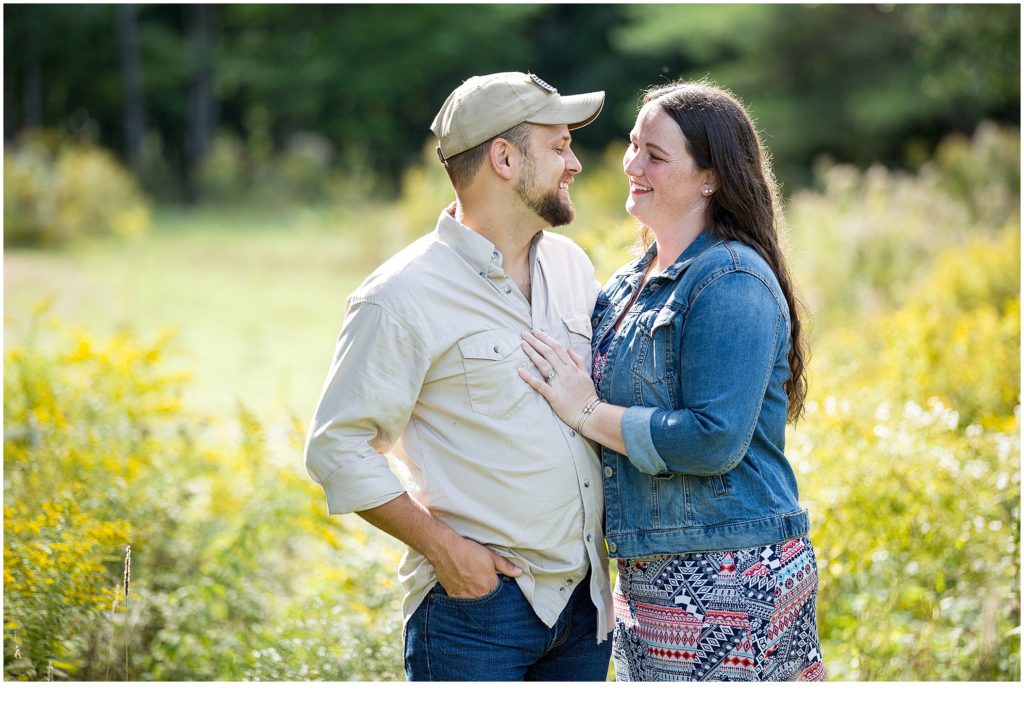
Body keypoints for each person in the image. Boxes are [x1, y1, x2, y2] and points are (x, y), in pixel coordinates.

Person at [304, 72, 614, 681]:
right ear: (503, 157)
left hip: (586, 609)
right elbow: (337, 447)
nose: (574, 163)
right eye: (558, 147)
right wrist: (449, 553)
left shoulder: (573, 266)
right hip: (477, 616)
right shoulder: (400, 295)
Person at [517, 79, 827, 682]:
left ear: (711, 177)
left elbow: (713, 439)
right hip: (649, 571)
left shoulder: (730, 279)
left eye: (656, 156)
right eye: (634, 146)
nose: (633, 164)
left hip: (732, 571)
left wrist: (586, 413)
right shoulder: (633, 277)